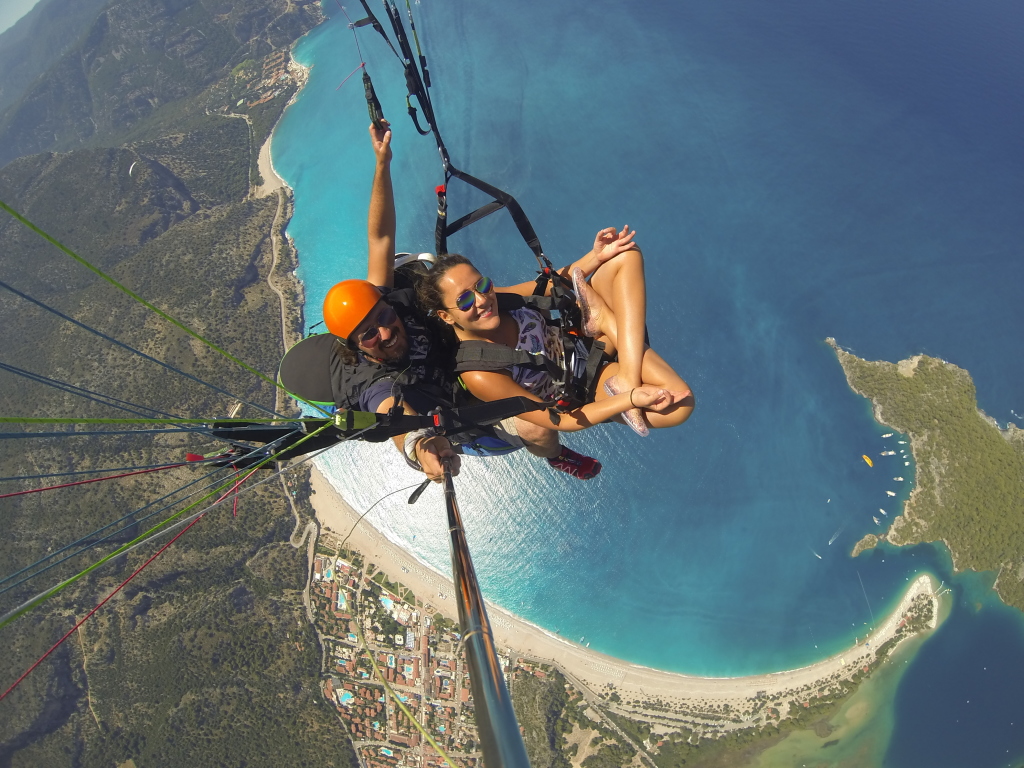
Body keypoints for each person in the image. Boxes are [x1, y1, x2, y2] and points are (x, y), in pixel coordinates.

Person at [279, 121, 604, 481]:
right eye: (370, 335)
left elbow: (381, 237)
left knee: (492, 299)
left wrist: (382, 163)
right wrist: (420, 449)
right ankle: (557, 456)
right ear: (356, 345)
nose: (386, 333)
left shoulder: (388, 304)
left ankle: (574, 280)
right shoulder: (370, 381)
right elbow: (394, 416)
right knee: (536, 430)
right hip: (459, 399)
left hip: (463, 341)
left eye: (384, 317)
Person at [415, 228, 694, 436]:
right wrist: (629, 399)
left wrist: (596, 255)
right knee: (680, 404)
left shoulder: (496, 299)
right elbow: (564, 421)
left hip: (583, 334)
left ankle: (608, 334)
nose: (481, 300)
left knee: (625, 253)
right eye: (464, 300)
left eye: (483, 285)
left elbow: (551, 285)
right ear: (445, 316)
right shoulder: (480, 373)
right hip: (587, 380)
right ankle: (605, 321)